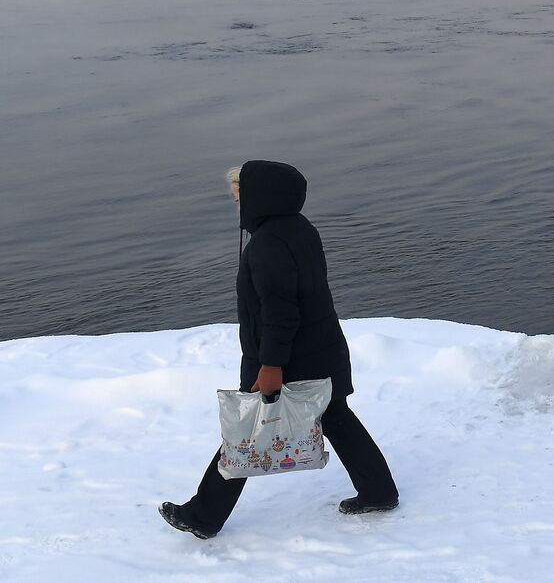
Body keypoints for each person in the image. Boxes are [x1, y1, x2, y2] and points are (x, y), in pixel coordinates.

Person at [160, 161, 399, 539]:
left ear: (259, 195)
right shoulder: (298, 228)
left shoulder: (268, 244)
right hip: (321, 350)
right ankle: (379, 491)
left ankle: (203, 516)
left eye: (239, 195)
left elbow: (280, 313)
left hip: (289, 359)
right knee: (336, 417)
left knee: (248, 431)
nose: (236, 202)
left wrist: (270, 366)